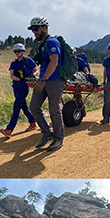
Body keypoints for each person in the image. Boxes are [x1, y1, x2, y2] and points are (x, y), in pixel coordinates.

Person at [28, 17, 65, 151]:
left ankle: (59, 138)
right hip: (43, 79)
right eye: (32, 30)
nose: (34, 32)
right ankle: (47, 133)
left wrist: (43, 79)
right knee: (34, 106)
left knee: (54, 109)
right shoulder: (43, 44)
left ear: (44, 28)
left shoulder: (52, 42)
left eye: (36, 29)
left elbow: (54, 62)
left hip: (54, 80)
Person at [0, 43, 37, 138]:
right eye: (16, 51)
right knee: (23, 106)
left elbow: (36, 69)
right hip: (16, 87)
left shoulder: (28, 60)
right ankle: (33, 122)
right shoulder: (13, 63)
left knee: (16, 107)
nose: (17, 53)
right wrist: (21, 79)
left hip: (24, 87)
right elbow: (12, 76)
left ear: (23, 51)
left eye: (19, 51)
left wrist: (32, 76)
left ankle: (9, 129)